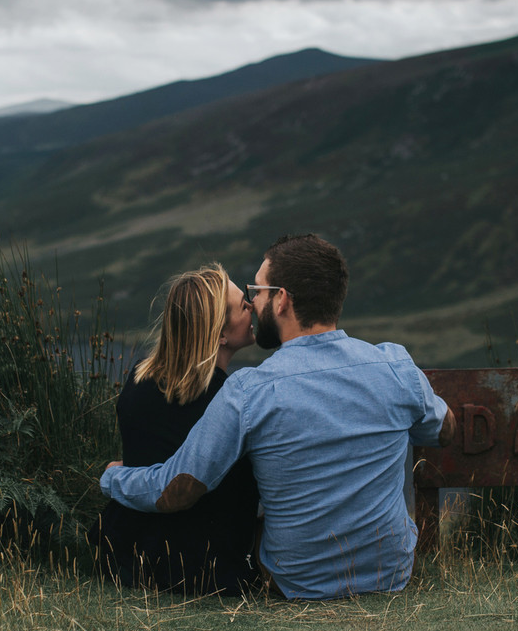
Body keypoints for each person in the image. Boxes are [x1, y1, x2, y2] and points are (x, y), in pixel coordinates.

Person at [101, 234, 452, 600]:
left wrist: (114, 479)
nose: (253, 302)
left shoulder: (249, 391)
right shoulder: (394, 365)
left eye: (258, 290)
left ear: (281, 299)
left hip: (296, 583)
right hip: (390, 574)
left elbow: (177, 490)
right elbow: (445, 430)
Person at [91, 263, 261, 595]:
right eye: (243, 305)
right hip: (205, 569)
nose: (253, 307)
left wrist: (118, 475)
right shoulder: (228, 401)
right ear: (221, 334)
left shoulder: (139, 381)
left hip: (131, 558)